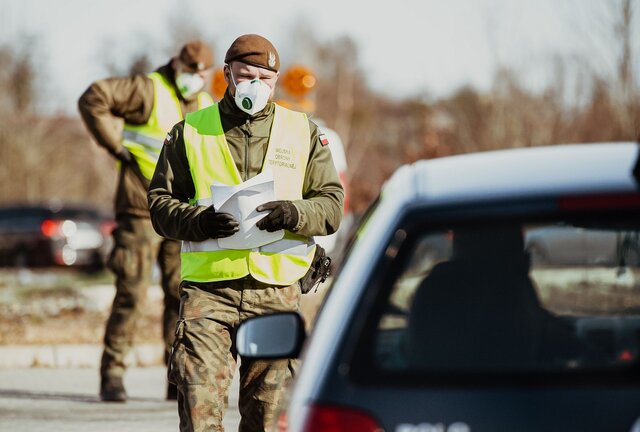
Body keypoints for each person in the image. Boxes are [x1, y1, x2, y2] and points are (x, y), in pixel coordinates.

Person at [148, 34, 344, 432]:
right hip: (209, 294)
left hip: (275, 292)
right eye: (246, 75)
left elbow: (331, 204)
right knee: (199, 413)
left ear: (275, 81)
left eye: (265, 78)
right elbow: (159, 204)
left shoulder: (303, 131)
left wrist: (294, 212)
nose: (255, 85)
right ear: (227, 75)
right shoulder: (189, 132)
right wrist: (199, 221)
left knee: (268, 419)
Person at [78, 40, 215, 402]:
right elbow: (93, 97)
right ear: (176, 64)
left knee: (181, 296)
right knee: (132, 294)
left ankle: (176, 378)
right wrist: (115, 147)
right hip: (141, 210)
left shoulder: (204, 103)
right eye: (190, 72)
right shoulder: (147, 89)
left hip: (182, 214)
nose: (195, 79)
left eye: (201, 74)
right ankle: (113, 375)